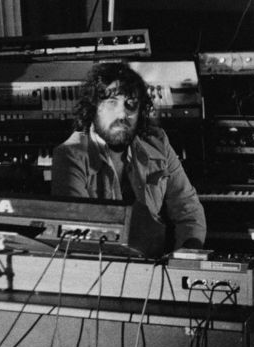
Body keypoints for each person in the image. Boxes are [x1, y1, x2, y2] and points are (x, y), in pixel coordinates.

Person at [51, 62, 206, 258]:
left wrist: (187, 254)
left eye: (130, 104)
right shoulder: (70, 154)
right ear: (93, 108)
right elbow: (76, 233)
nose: (122, 114)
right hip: (102, 268)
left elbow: (188, 207)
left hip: (156, 264)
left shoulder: (158, 142)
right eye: (112, 102)